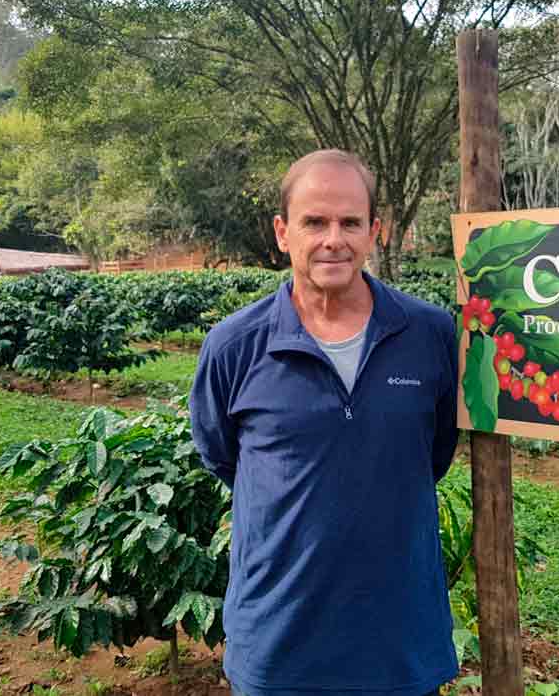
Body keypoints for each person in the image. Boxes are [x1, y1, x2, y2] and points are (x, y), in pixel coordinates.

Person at [189, 149, 460, 696]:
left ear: (375, 232)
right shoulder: (234, 347)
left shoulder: (430, 336)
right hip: (280, 645)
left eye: (350, 222)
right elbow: (222, 455)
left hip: (399, 644)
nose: (333, 238)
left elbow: (432, 454)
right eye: (315, 222)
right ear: (283, 232)